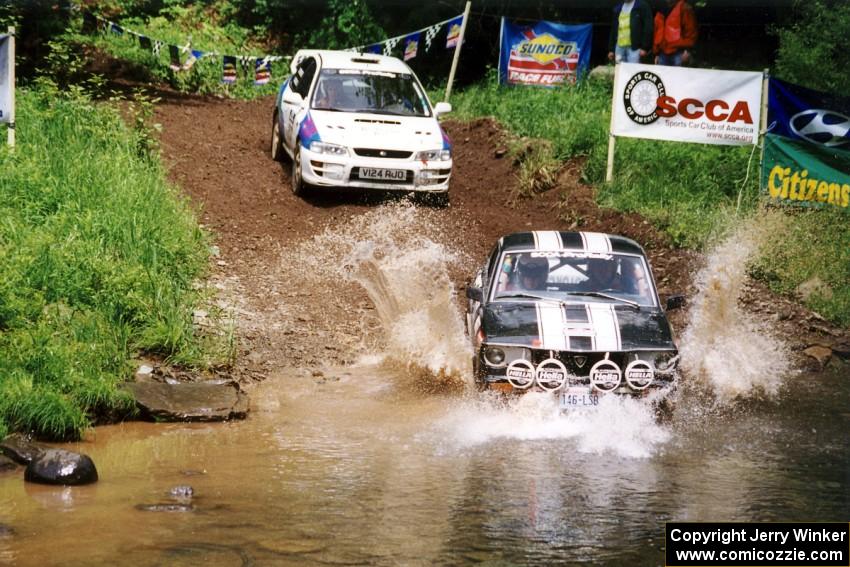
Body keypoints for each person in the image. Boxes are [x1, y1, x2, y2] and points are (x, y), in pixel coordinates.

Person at [607, 0, 655, 64]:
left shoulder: (642, 6)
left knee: (634, 71)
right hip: (619, 48)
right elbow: (614, 29)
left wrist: (645, 48)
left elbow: (648, 27)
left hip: (635, 49)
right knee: (620, 71)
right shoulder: (617, 8)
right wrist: (611, 49)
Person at [653, 0, 698, 66]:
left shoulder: (684, 8)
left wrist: (687, 50)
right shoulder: (660, 9)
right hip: (662, 53)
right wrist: (656, 53)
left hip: (679, 52)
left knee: (679, 75)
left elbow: (690, 30)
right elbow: (657, 32)